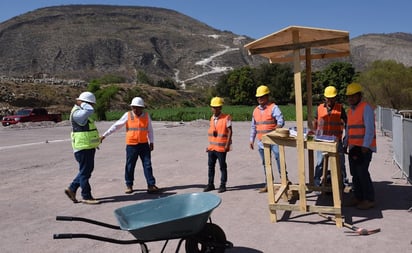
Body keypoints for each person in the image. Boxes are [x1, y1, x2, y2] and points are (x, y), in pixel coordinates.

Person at [100, 97, 160, 194]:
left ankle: (151, 185)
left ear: (142, 108)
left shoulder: (146, 116)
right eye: (134, 107)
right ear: (131, 107)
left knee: (147, 165)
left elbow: (150, 130)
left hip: (144, 145)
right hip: (132, 145)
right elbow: (116, 126)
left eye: (138, 108)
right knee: (130, 166)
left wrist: (151, 142)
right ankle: (129, 185)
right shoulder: (127, 115)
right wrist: (104, 135)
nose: (136, 110)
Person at [344, 83, 376, 210]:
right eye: (349, 96)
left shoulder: (366, 108)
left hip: (363, 148)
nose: (351, 98)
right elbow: (349, 129)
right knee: (355, 174)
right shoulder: (350, 111)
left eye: (353, 96)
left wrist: (366, 145)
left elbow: (370, 129)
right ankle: (358, 196)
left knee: (362, 173)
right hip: (353, 147)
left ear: (359, 96)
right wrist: (346, 143)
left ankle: (369, 199)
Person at [64, 91, 101, 204]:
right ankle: (86, 196)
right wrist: (83, 103)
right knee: (85, 172)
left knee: (86, 171)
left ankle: (72, 189)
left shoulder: (80, 112)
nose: (92, 106)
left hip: (87, 146)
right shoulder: (78, 113)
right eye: (91, 103)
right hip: (82, 147)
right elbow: (90, 110)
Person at [249, 85, 285, 193]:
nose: (260, 99)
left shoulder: (273, 107)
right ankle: (268, 183)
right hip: (261, 142)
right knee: (266, 163)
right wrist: (251, 139)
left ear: (267, 96)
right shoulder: (255, 111)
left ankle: (285, 180)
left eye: (262, 96)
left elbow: (281, 120)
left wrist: (276, 129)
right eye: (258, 97)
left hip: (274, 140)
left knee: (279, 159)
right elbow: (253, 126)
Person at [313, 86, 348, 187]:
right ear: (325, 98)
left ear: (335, 97)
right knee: (320, 162)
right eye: (328, 98)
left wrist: (346, 137)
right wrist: (314, 132)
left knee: (340, 163)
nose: (330, 100)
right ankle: (317, 180)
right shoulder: (319, 108)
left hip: (336, 141)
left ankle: (344, 181)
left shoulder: (340, 108)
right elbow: (315, 121)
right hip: (322, 140)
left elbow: (347, 123)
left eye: (332, 98)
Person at [204, 97, 233, 193]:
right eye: (213, 107)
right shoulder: (211, 118)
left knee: (222, 167)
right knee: (210, 167)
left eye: (217, 107)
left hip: (221, 148)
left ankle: (223, 185)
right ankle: (210, 184)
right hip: (212, 148)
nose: (214, 109)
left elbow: (230, 131)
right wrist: (209, 146)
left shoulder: (226, 118)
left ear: (220, 107)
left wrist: (227, 144)